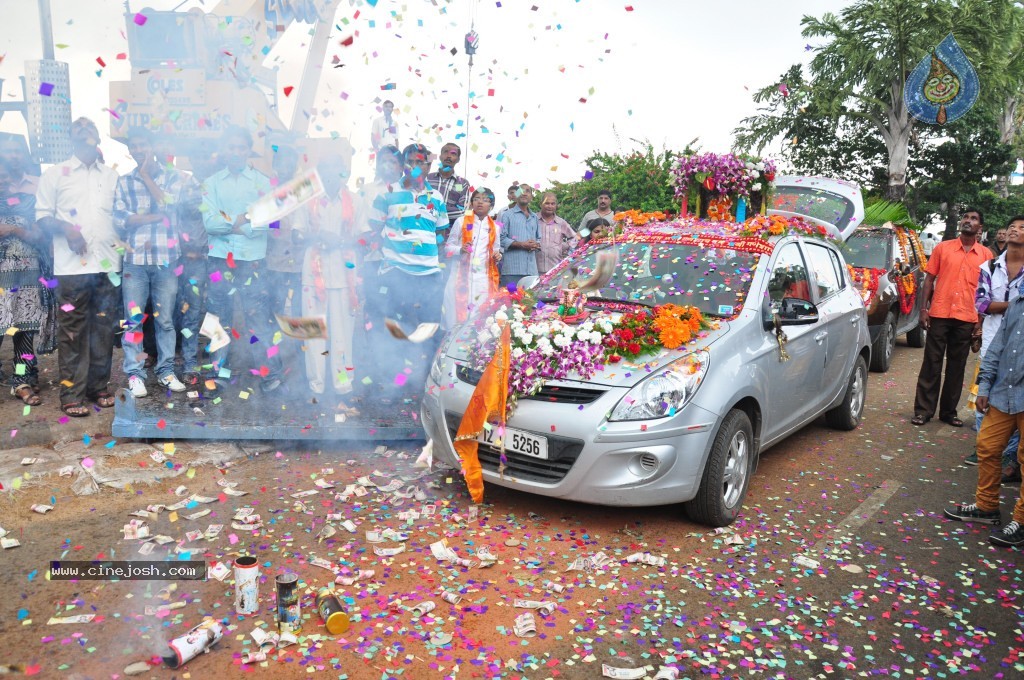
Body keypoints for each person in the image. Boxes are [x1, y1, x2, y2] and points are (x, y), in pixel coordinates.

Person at [35, 117, 121, 417]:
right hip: (72, 268)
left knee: (104, 328)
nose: (84, 130)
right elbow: (42, 217)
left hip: (108, 264)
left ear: (98, 137)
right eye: (78, 128)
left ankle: (98, 387)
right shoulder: (55, 174)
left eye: (89, 127)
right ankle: (71, 395)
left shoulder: (111, 176)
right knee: (72, 331)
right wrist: (67, 229)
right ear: (70, 139)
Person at [942, 271, 1024, 547]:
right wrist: (985, 386)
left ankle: (1022, 522)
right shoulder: (1017, 304)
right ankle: (986, 507)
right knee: (987, 447)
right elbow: (997, 348)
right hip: (1003, 393)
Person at [200, 125, 283, 395]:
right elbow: (209, 223)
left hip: (252, 261)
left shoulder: (263, 183)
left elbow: (268, 222)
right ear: (223, 150)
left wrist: (235, 225)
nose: (236, 152)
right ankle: (217, 375)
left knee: (258, 319)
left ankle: (270, 377)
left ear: (248, 151)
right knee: (217, 318)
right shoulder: (211, 183)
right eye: (231, 147)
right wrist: (245, 221)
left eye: (241, 147)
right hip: (219, 260)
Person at [368, 143, 448, 402]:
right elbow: (372, 231)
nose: (415, 167)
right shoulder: (387, 193)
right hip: (396, 273)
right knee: (394, 331)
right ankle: (391, 386)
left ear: (428, 166)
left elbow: (440, 234)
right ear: (403, 165)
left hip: (429, 276)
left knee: (428, 331)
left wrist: (431, 263)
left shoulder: (437, 198)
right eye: (410, 162)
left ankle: (423, 386)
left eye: (420, 162)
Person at [113, 127, 187, 397]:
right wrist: (156, 217)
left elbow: (170, 205)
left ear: (153, 147)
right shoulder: (123, 181)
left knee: (165, 320)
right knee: (132, 321)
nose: (138, 150)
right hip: (135, 262)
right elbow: (121, 220)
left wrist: (145, 176)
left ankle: (166, 371)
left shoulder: (173, 177)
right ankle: (135, 375)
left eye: (143, 145)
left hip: (166, 261)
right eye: (134, 146)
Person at [911, 208, 993, 427]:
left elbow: (987, 291)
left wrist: (980, 321)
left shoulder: (986, 255)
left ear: (980, 227)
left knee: (957, 367)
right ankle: (923, 411)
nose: (968, 221)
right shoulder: (943, 248)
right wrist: (923, 309)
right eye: (966, 217)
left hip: (967, 317)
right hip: (940, 313)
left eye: (973, 218)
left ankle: (948, 412)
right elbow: (929, 280)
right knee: (932, 363)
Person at [294, 152, 363, 400]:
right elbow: (296, 235)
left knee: (343, 333)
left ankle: (343, 385)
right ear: (319, 174)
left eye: (336, 169)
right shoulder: (307, 200)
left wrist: (340, 241)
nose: (332, 174)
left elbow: (364, 238)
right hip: (313, 276)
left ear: (344, 173)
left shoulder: (355, 200)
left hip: (345, 276)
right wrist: (319, 236)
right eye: (326, 170)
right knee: (313, 332)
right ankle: (316, 385)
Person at [966, 217, 1024, 482]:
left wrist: (998, 306)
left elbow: (991, 304)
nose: (1014, 230)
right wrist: (1016, 306)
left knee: (1017, 403)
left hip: (1020, 349)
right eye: (1012, 226)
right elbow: (981, 304)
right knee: (985, 396)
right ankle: (987, 452)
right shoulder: (989, 267)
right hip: (992, 342)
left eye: (1022, 228)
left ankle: (1010, 459)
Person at [0, 158, 53, 405]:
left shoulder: (29, 202)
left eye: (4, 177)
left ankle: (20, 381)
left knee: (25, 332)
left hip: (28, 278)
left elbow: (41, 236)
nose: (1, 182)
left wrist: (14, 230)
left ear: (13, 179)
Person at [175, 146, 221, 385]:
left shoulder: (219, 185)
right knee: (192, 312)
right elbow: (175, 220)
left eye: (207, 155)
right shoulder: (183, 187)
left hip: (219, 258)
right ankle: (190, 364)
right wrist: (185, 248)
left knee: (216, 311)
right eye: (198, 156)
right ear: (191, 159)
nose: (203, 160)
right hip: (193, 260)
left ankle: (216, 363)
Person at [443, 188, 502, 328]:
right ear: (471, 202)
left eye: (485, 200)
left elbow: (496, 250)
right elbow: (448, 248)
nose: (480, 202)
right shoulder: (461, 221)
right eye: (477, 199)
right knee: (455, 318)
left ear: (491, 205)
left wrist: (498, 256)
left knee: (478, 318)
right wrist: (460, 250)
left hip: (482, 280)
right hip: (460, 277)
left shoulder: (495, 227)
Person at [265, 143, 305, 319]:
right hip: (275, 261)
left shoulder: (303, 192)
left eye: (290, 165)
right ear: (275, 165)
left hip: (300, 261)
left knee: (299, 308)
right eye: (282, 164)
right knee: (275, 307)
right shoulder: (268, 192)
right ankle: (274, 335)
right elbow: (270, 228)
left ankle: (298, 338)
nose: (285, 169)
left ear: (295, 166)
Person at [498, 184, 541, 289]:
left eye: (527, 191)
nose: (524, 193)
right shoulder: (506, 215)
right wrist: (521, 244)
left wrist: (536, 245)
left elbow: (539, 239)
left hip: (531, 271)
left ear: (531, 197)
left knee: (530, 299)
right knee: (508, 299)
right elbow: (500, 239)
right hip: (512, 271)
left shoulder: (534, 217)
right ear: (515, 195)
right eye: (520, 191)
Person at [426, 143, 469, 233]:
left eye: (453, 153)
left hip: (449, 235)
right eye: (446, 152)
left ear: (458, 159)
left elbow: (462, 212)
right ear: (440, 156)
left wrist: (433, 211)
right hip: (426, 231)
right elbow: (420, 204)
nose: (449, 156)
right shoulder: (427, 178)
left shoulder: (462, 184)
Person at [536, 192, 578, 274]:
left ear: (556, 206)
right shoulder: (533, 220)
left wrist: (564, 246)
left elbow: (575, 238)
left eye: (553, 204)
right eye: (547, 203)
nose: (550, 206)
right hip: (535, 269)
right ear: (541, 204)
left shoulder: (561, 222)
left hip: (555, 269)